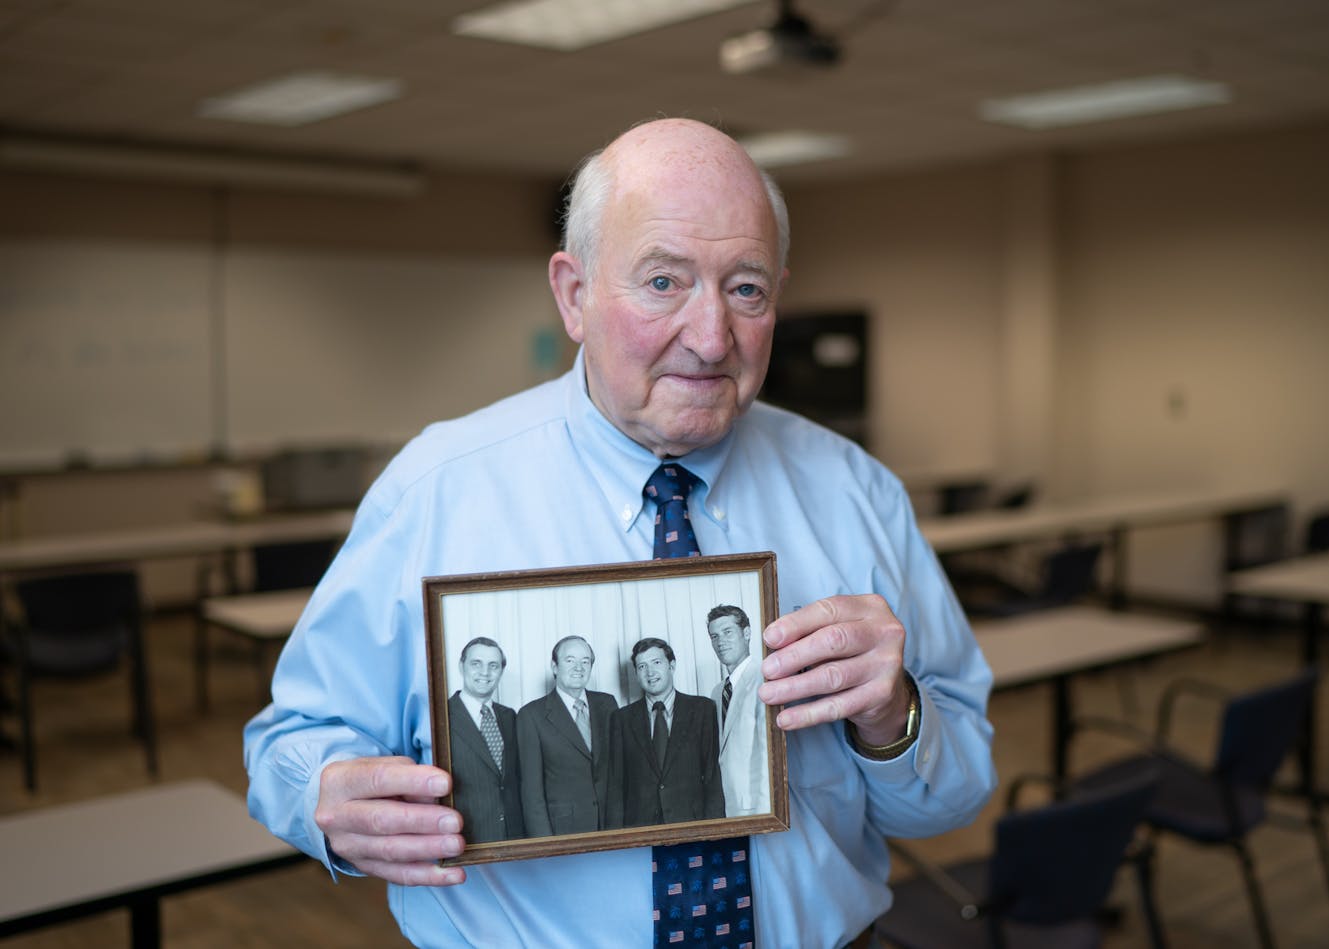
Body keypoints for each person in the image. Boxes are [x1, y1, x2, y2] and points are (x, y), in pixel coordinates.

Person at [244, 117, 995, 947]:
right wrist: (326, 794)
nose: (712, 338)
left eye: (745, 288)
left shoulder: (855, 492)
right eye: (664, 282)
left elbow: (952, 799)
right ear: (574, 295)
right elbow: (291, 741)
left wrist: (892, 717)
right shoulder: (437, 491)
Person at [516, 635, 623, 836]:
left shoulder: (608, 704)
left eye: (585, 661)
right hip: (564, 832)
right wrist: (545, 846)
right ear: (555, 667)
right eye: (570, 660)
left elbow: (618, 773)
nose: (579, 667)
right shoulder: (531, 715)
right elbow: (532, 793)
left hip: (611, 827)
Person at [616, 637, 723, 827]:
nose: (650, 672)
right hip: (641, 829)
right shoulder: (621, 719)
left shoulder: (702, 709)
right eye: (642, 666)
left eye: (656, 662)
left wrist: (714, 831)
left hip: (691, 824)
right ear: (636, 674)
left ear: (671, 666)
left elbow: (712, 776)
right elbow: (618, 785)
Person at [446, 636, 523, 844]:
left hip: (515, 838)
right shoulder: (441, 717)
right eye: (476, 664)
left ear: (501, 672)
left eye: (493, 666)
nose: (485, 673)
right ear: (462, 667)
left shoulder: (511, 717)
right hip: (467, 839)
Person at [705, 604, 770, 817]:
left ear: (747, 633)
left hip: (757, 807)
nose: (720, 641)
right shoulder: (717, 692)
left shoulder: (766, 679)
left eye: (727, 632)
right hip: (725, 807)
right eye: (714, 636)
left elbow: (769, 756)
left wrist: (766, 814)